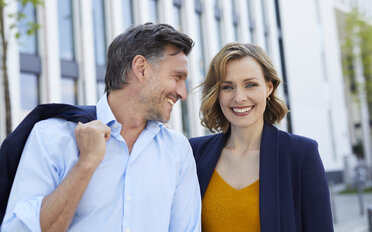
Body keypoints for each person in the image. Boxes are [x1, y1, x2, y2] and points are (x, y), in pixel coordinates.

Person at [1, 23, 201, 232]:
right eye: (177, 77)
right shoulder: (52, 136)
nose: (183, 93)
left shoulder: (178, 150)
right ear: (141, 68)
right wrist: (85, 164)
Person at [189, 42, 333, 232]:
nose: (239, 97)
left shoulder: (301, 155)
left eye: (250, 85)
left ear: (269, 88)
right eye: (227, 87)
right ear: (217, 94)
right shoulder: (193, 153)